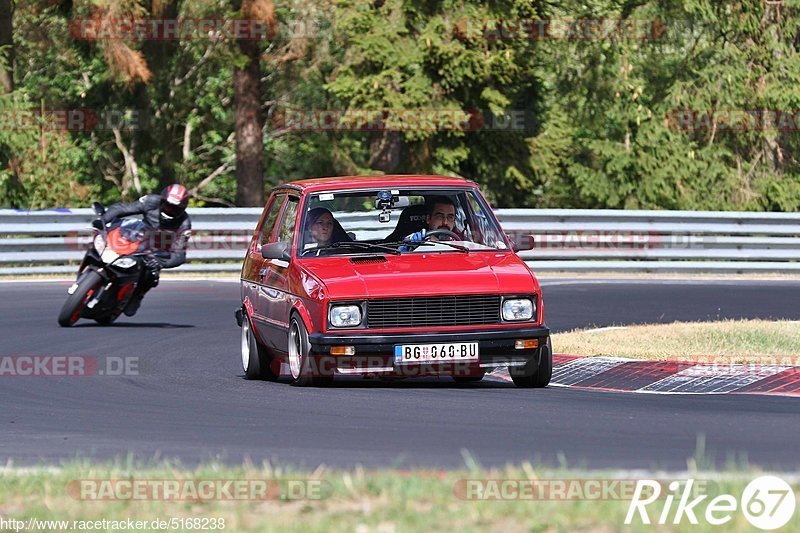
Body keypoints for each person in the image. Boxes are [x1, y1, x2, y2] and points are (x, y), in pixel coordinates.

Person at [98, 184, 192, 316]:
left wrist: (161, 263)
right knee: (108, 239)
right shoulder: (151, 201)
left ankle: (138, 295)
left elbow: (180, 255)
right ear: (162, 201)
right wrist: (102, 220)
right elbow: (122, 208)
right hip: (140, 233)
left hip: (160, 247)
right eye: (167, 206)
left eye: (174, 210)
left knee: (151, 274)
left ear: (182, 209)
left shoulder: (184, 224)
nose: (169, 211)